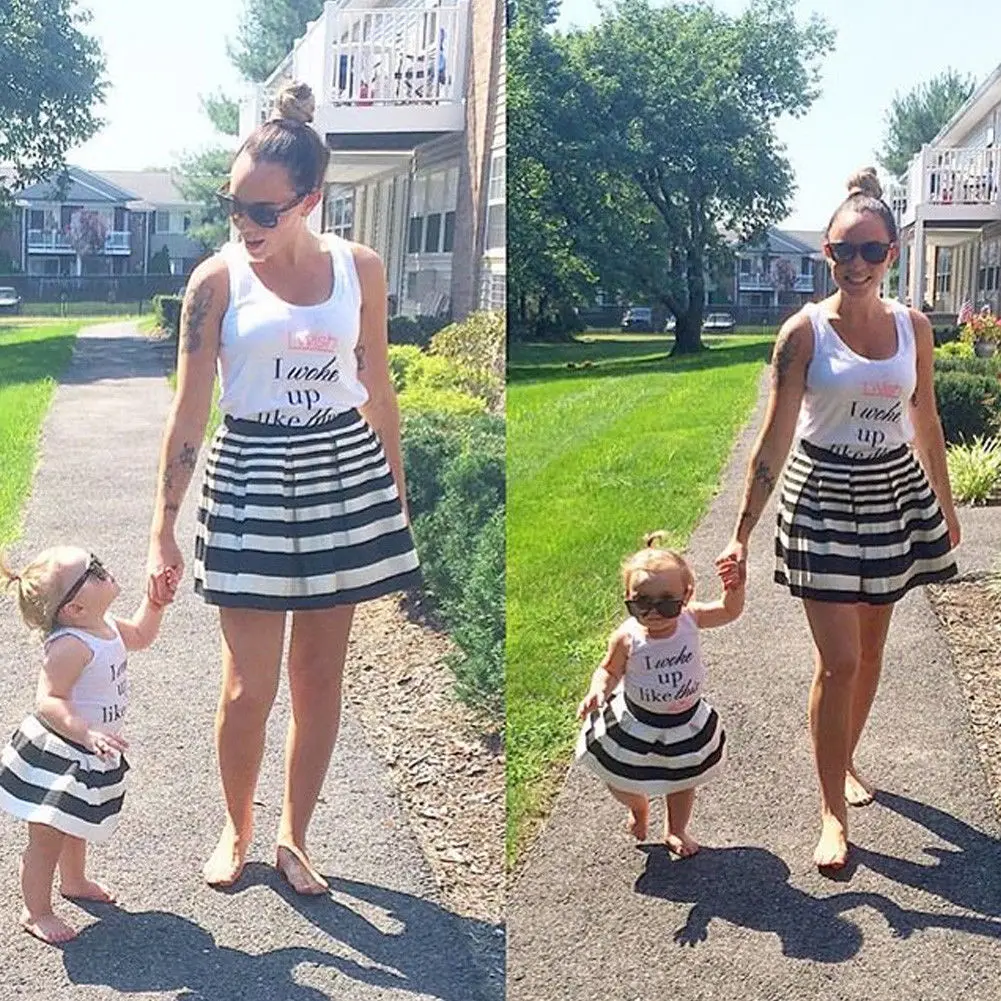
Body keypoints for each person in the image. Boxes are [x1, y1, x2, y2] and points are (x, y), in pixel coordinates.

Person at [146, 80, 421, 895]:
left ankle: (294, 836)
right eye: (235, 204)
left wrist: (394, 494)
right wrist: (163, 522)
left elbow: (375, 385)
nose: (246, 223)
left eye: (265, 210)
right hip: (250, 473)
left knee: (319, 677)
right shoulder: (216, 282)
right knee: (248, 683)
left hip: (342, 471)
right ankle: (236, 828)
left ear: (311, 200)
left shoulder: (358, 269)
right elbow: (191, 407)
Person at [715, 167, 959, 871]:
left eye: (870, 250)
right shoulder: (803, 333)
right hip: (819, 493)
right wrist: (739, 530)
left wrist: (944, 505)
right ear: (825, 253)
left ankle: (845, 758)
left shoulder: (913, 327)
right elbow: (772, 436)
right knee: (840, 658)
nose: (856, 264)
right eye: (842, 251)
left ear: (892, 253)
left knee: (873, 652)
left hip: (891, 494)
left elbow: (927, 420)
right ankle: (829, 811)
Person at [0, 548, 175, 943]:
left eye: (95, 561)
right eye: (91, 570)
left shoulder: (106, 625)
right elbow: (49, 700)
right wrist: (85, 732)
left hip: (87, 749)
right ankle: (35, 910)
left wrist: (155, 603)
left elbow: (143, 635)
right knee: (46, 837)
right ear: (74, 609)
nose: (102, 568)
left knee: (76, 822)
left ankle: (74, 881)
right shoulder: (71, 645)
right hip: (60, 753)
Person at [575, 534, 743, 856]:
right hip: (637, 721)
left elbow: (728, 611)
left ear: (686, 595)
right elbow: (609, 670)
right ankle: (637, 806)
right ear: (627, 598)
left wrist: (734, 589)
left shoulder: (691, 620)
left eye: (667, 601)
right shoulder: (627, 638)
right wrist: (598, 690)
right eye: (641, 602)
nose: (654, 612)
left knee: (682, 781)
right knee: (620, 779)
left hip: (685, 721)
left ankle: (675, 830)